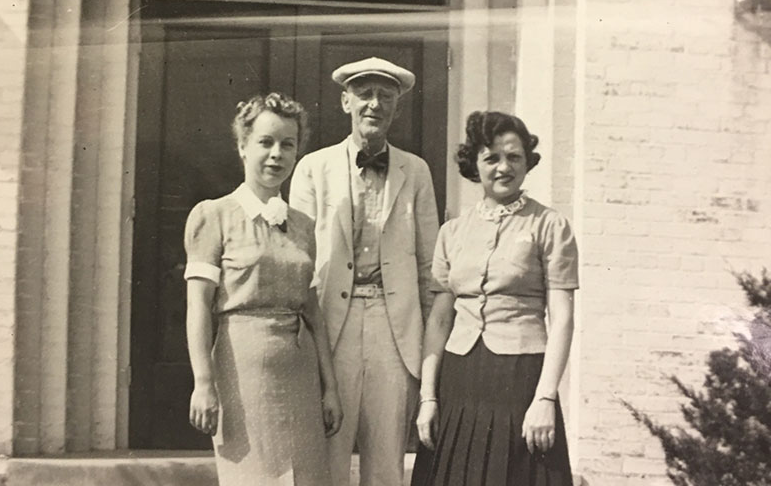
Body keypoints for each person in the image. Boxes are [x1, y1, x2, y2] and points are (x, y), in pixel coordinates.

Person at [289, 57, 440, 486]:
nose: (374, 104)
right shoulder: (313, 168)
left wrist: (428, 349)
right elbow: (298, 263)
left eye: (385, 96)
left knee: (387, 461)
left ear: (396, 108)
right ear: (345, 102)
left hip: (395, 332)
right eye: (364, 94)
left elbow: (429, 266)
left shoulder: (417, 171)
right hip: (329, 328)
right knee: (327, 455)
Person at [411, 111, 578, 486]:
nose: (503, 167)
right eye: (491, 158)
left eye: (513, 157)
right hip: (459, 379)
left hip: (520, 379)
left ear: (527, 162)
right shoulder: (452, 232)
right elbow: (439, 320)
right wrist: (427, 397)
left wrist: (546, 399)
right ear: (474, 164)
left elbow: (563, 319)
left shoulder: (550, 226)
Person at [184, 92, 342, 486]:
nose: (276, 154)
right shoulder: (214, 215)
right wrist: (203, 383)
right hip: (242, 372)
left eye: (287, 144)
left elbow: (313, 312)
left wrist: (330, 388)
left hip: (300, 374)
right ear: (242, 146)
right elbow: (199, 306)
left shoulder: (304, 226)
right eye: (265, 142)